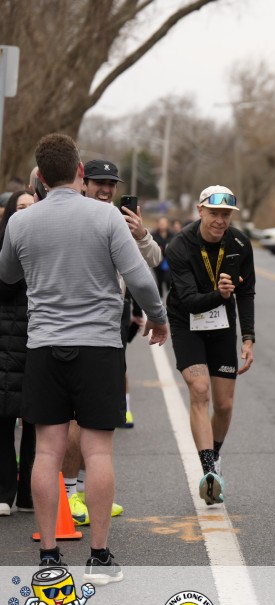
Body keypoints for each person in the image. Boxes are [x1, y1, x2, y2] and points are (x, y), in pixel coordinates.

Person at [0, 133, 168, 581]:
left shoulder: (21, 222)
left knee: (46, 452)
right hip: (98, 346)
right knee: (97, 452)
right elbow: (141, 278)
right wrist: (159, 318)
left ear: (39, 176)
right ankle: (99, 557)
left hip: (44, 346)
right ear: (79, 170)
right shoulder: (106, 216)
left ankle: (49, 558)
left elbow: (7, 274)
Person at [65, 159, 161, 527]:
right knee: (74, 416)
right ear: (84, 183)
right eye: (99, 183)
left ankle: (86, 492)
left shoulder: (119, 222)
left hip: (110, 325)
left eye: (111, 184)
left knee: (98, 418)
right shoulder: (75, 216)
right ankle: (69, 495)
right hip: (74, 325)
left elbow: (154, 260)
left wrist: (141, 233)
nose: (106, 190)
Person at [166, 185, 255, 507]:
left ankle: (214, 457)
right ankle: (208, 472)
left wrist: (248, 338)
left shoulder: (240, 243)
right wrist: (221, 294)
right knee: (200, 390)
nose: (220, 220)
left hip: (221, 325)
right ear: (200, 211)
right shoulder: (179, 246)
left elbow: (247, 292)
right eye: (214, 213)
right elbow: (190, 301)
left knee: (225, 405)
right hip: (187, 322)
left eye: (226, 215)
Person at [0, 191, 36, 515]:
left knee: (37, 422)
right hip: (6, 341)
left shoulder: (48, 245)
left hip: (39, 340)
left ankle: (29, 493)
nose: (25, 212)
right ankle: (4, 492)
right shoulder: (4, 248)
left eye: (31, 207)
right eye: (19, 207)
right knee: (3, 418)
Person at [152, 217, 175, 297]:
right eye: (161, 223)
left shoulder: (172, 235)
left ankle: (169, 292)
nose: (162, 225)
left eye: (164, 223)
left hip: (168, 260)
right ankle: (160, 297)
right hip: (158, 260)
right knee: (159, 279)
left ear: (167, 224)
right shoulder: (153, 235)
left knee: (167, 278)